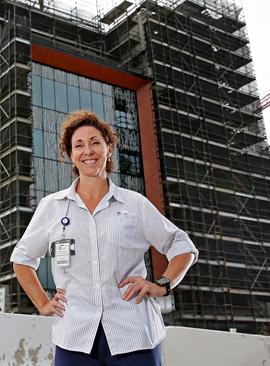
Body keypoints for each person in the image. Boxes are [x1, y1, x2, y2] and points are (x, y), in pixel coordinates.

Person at [10, 110, 198, 366]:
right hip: (74, 338)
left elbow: (181, 245)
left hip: (134, 336)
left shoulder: (133, 204)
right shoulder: (51, 207)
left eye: (95, 142)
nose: (88, 151)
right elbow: (22, 258)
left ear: (109, 149)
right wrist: (42, 302)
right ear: (70, 155)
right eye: (79, 145)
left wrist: (163, 284)